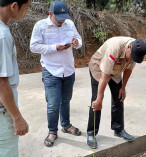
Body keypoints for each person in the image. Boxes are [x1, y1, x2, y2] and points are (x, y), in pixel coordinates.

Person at [30, 0, 82, 147]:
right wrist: (55, 48)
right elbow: (33, 46)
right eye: (59, 18)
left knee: (66, 101)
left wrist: (76, 43)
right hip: (51, 71)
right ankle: (52, 131)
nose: (62, 21)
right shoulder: (40, 26)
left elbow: (79, 39)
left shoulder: (69, 24)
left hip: (69, 70)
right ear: (50, 14)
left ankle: (66, 125)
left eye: (64, 17)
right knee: (53, 104)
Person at [87, 36, 146, 149]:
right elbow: (104, 77)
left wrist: (123, 87)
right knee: (97, 101)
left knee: (119, 97)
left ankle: (118, 129)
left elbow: (128, 70)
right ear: (128, 48)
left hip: (116, 70)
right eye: (132, 57)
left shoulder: (136, 52)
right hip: (99, 68)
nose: (132, 59)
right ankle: (91, 133)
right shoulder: (114, 48)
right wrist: (100, 99)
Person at [0, 0, 31, 156]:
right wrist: (17, 117)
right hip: (3, 111)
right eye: (25, 8)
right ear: (13, 6)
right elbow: (1, 82)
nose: (26, 12)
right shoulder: (3, 36)